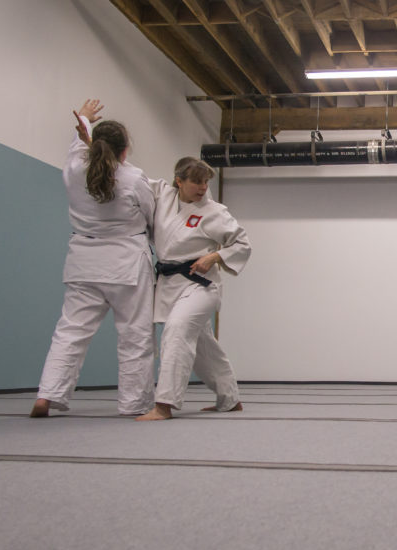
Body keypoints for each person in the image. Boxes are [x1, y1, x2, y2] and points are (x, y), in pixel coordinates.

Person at [31, 100, 156, 417]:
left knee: (70, 332)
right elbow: (151, 216)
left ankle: (48, 394)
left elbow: (78, 147)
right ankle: (134, 403)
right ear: (125, 150)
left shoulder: (74, 170)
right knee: (134, 336)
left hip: (83, 263)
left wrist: (85, 120)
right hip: (127, 264)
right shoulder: (133, 178)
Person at [136, 157, 251, 421]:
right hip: (169, 283)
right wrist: (90, 146)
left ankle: (164, 404)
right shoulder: (163, 195)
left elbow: (242, 244)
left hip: (201, 286)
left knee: (177, 330)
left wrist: (215, 257)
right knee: (202, 347)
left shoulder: (214, 211)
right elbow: (132, 178)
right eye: (196, 182)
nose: (202, 187)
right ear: (179, 181)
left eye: (205, 182)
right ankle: (230, 398)